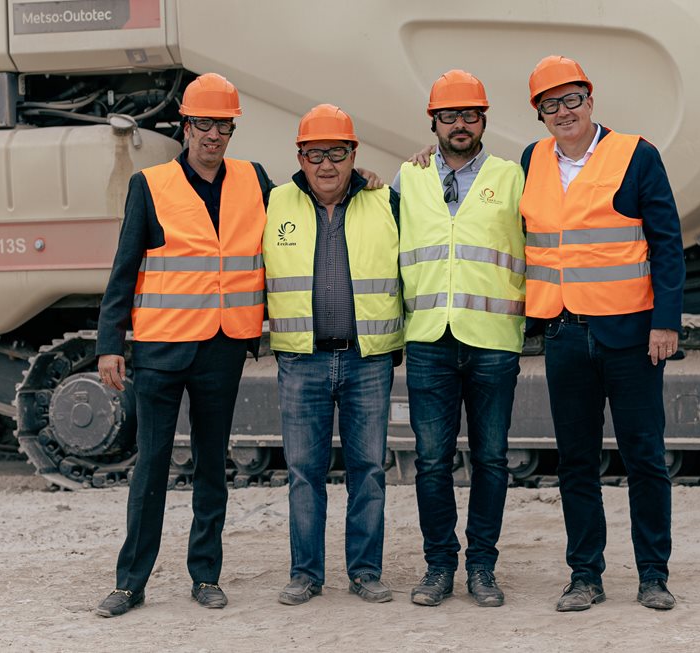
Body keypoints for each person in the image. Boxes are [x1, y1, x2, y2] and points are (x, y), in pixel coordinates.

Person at [94, 73, 272, 617]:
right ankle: (130, 582)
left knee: (213, 466)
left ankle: (206, 575)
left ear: (232, 130)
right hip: (162, 349)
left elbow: (312, 198)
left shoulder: (255, 180)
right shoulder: (150, 185)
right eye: (204, 124)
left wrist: (362, 178)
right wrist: (110, 342)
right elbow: (125, 268)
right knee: (151, 465)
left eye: (224, 126)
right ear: (186, 126)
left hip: (224, 344)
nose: (213, 135)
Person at [519, 56, 685, 612]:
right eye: (551, 104)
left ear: (590, 100)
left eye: (572, 99)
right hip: (564, 334)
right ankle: (585, 576)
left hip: (631, 335)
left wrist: (666, 321)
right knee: (576, 462)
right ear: (540, 114)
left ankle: (653, 575)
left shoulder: (636, 155)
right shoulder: (532, 160)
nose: (563, 111)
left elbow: (666, 242)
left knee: (645, 458)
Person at [393, 70, 525, 607]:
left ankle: (483, 568)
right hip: (429, 339)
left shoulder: (512, 177)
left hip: (493, 340)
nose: (460, 124)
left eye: (469, 115)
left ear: (483, 120)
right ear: (434, 123)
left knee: (491, 459)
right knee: (431, 461)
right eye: (449, 116)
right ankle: (439, 566)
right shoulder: (408, 177)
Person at [263, 104, 403, 606]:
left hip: (368, 359)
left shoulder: (386, 201)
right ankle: (306, 574)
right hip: (302, 360)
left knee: (369, 471)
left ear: (354, 155)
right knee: (304, 473)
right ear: (300, 157)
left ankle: (365, 572)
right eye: (315, 154)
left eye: (337, 153)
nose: (326, 164)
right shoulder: (273, 202)